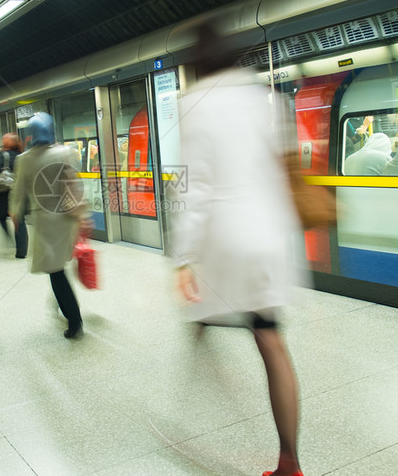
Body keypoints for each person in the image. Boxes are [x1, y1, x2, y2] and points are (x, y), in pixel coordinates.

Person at [174, 24, 308, 476]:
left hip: (227, 236)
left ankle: (198, 355)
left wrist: (183, 257)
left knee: (202, 308)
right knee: (270, 337)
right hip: (270, 233)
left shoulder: (193, 105)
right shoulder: (264, 96)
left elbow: (193, 188)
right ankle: (289, 460)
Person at [9, 113, 89, 338]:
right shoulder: (63, 152)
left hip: (45, 221)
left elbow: (18, 190)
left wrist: (15, 212)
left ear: (30, 134)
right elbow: (74, 184)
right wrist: (81, 215)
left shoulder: (23, 159)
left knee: (55, 272)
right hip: (67, 219)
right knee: (58, 266)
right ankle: (61, 305)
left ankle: (75, 321)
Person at [0, 133, 28, 258]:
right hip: (19, 192)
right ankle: (21, 251)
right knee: (19, 220)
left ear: (7, 143)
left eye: (3, 139)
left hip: (3, 194)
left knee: (1, 217)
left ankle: (8, 237)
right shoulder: (21, 155)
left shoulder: (2, 155)